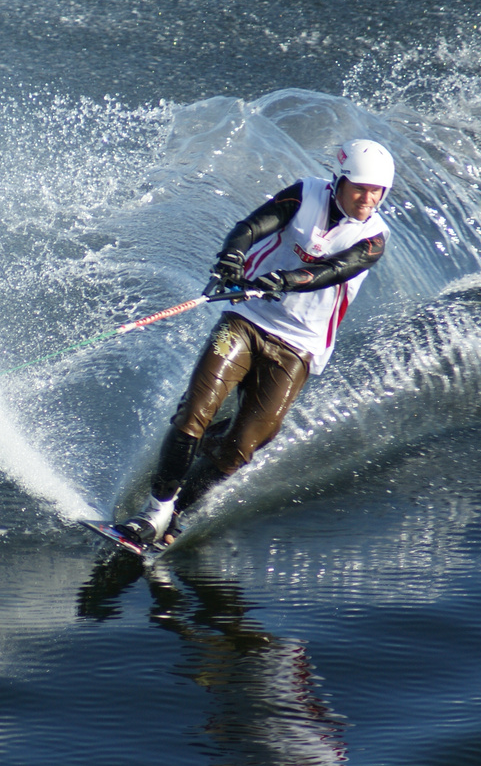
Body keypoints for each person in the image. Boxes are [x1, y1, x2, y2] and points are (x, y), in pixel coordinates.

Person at [114, 138, 395, 547]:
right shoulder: (306, 193)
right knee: (193, 411)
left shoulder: (374, 238)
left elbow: (335, 270)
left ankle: (181, 513)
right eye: (360, 189)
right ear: (338, 181)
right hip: (247, 320)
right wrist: (232, 257)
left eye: (377, 192)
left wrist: (288, 279)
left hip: (300, 346)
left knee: (243, 447)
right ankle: (155, 513)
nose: (368, 200)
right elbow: (251, 227)